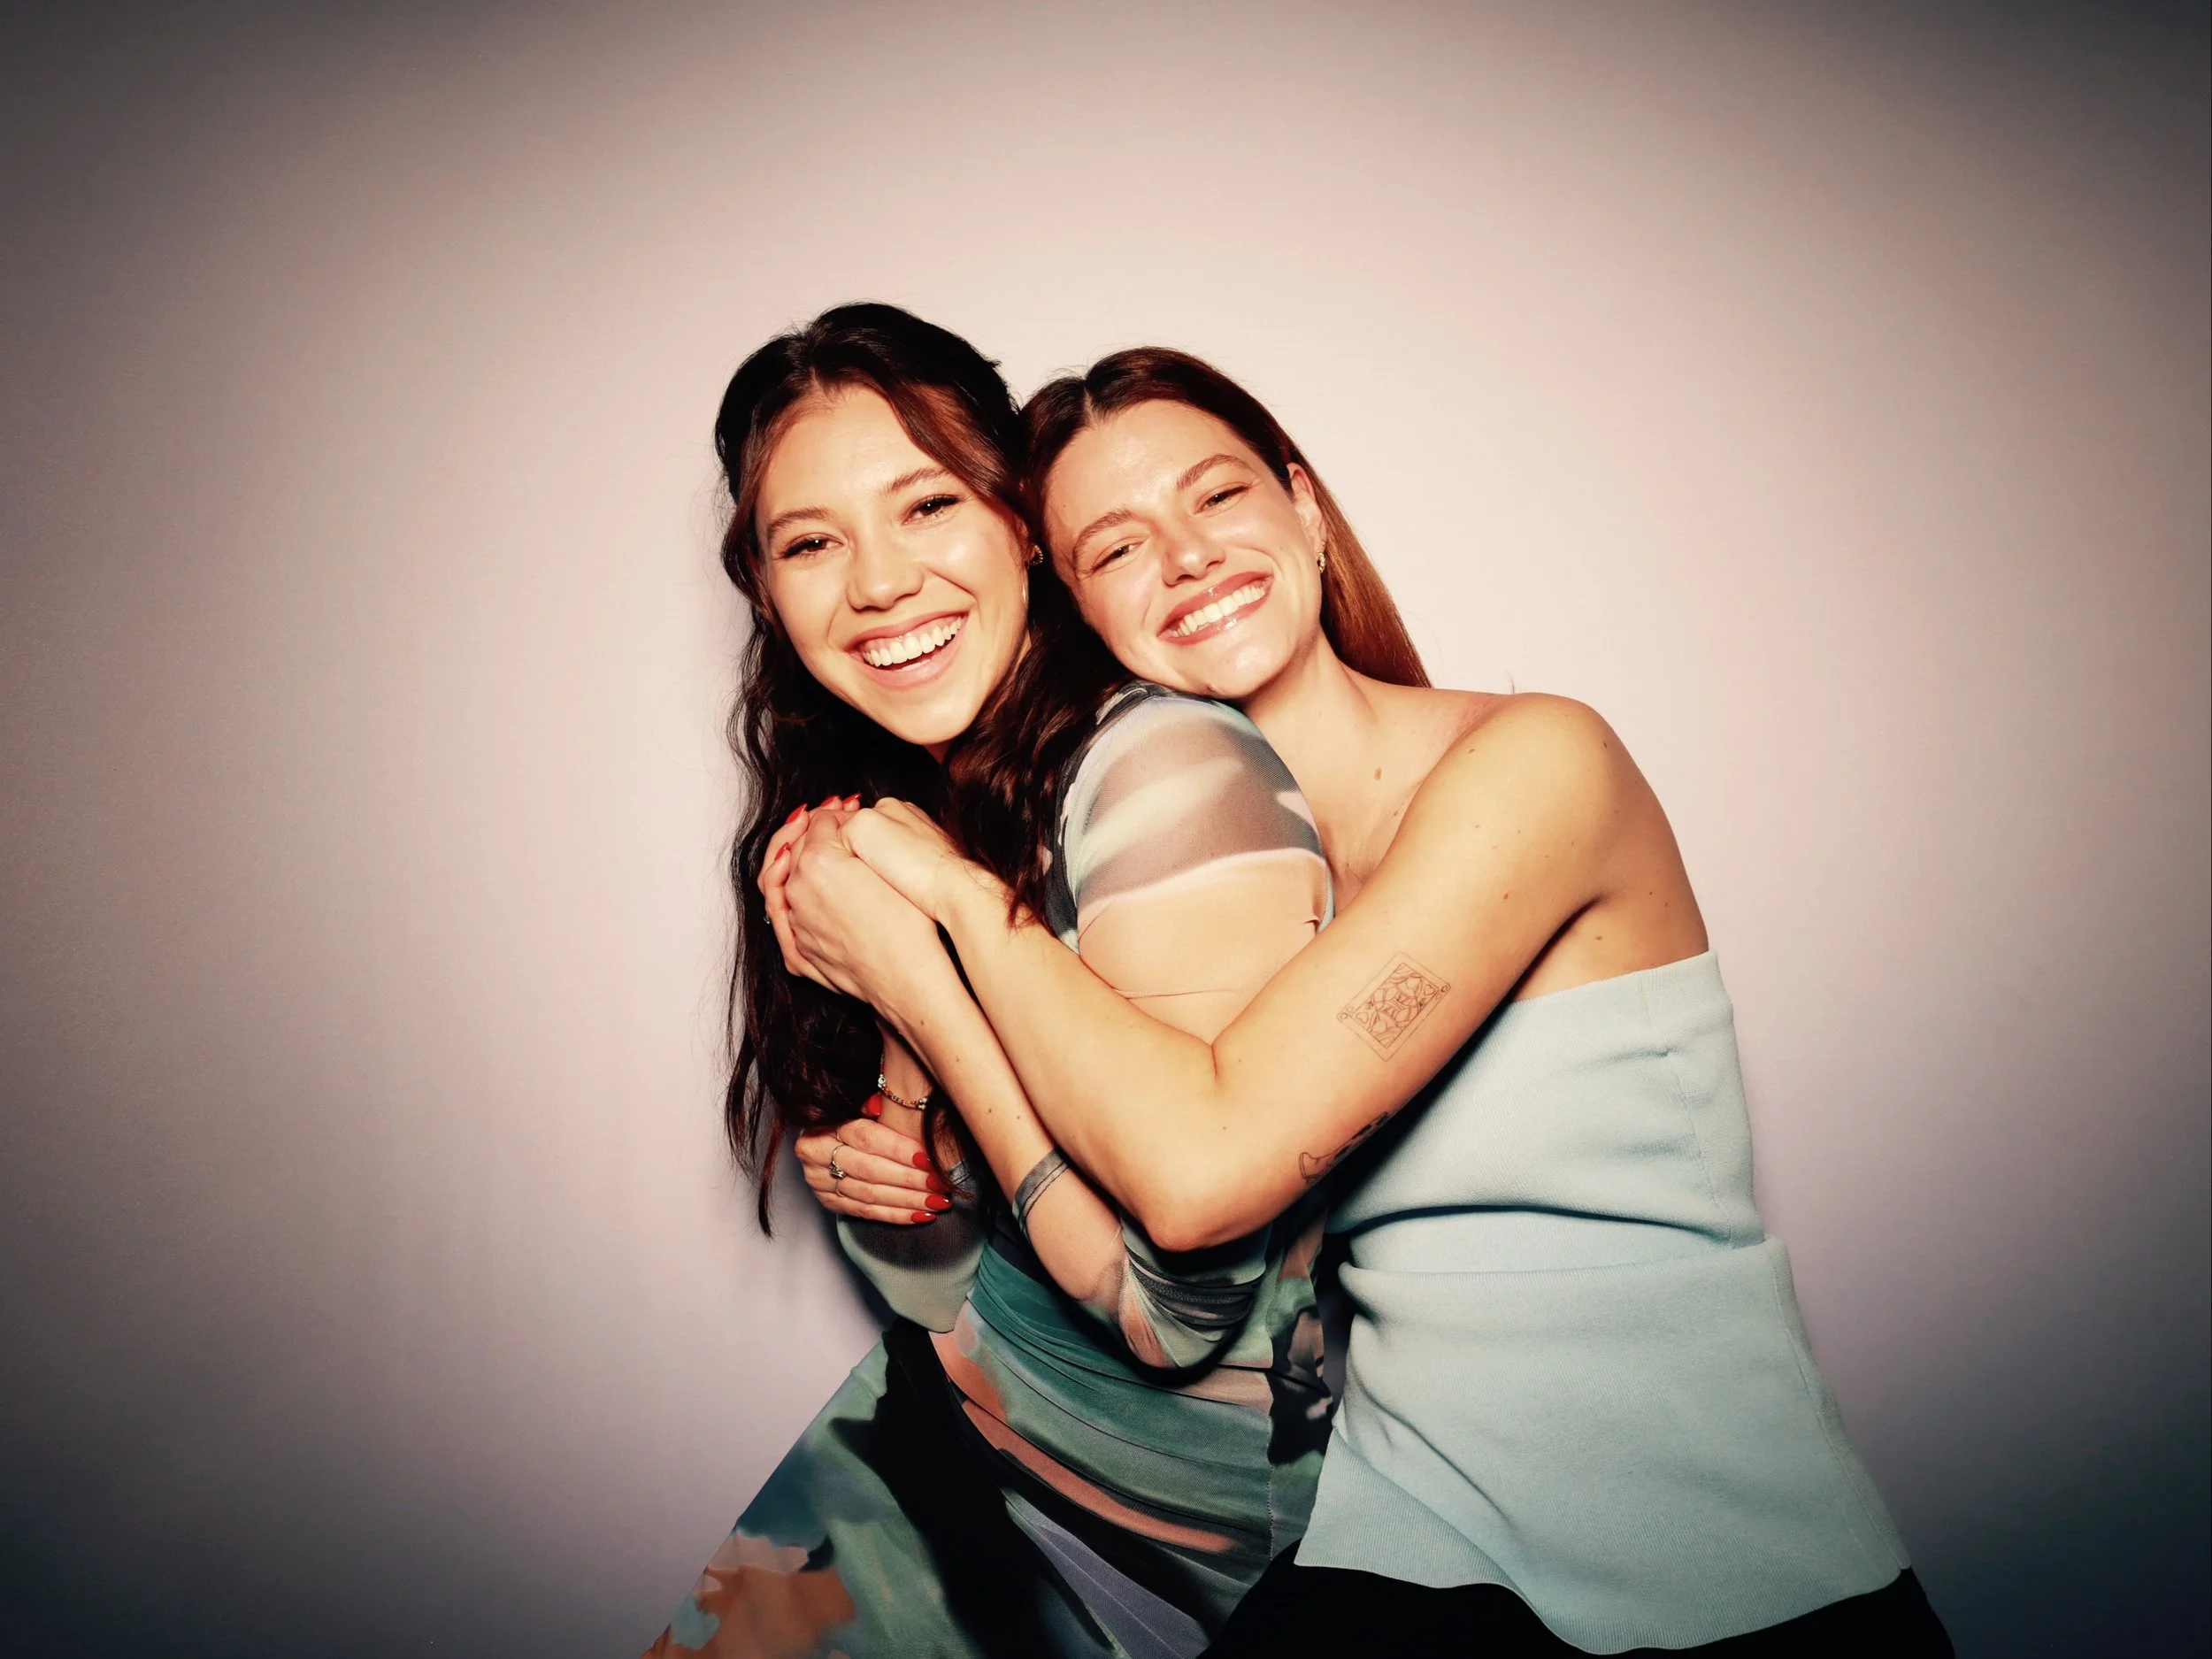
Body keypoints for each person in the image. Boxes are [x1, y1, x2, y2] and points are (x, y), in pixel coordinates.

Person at [780, 349, 1953, 1655]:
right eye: (1114, 547)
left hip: (1723, 1553)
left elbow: (1198, 1175)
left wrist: (940, 912)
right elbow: (1069, 1229)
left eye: (1217, 497)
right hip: (1413, 1549)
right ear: (1073, 607)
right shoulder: (1196, 884)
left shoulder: (1538, 765)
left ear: (1305, 508)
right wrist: (892, 1108)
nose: (1183, 556)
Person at [645, 304, 1427, 1659]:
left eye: (927, 505)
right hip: (948, 1452)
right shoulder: (911, 812)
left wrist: (922, 992)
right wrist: (887, 1147)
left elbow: (1174, 1316)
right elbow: (946, 1294)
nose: (879, 583)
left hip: (1144, 1546)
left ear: (1019, 521)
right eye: (811, 542)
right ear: (764, 589)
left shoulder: (1164, 776)